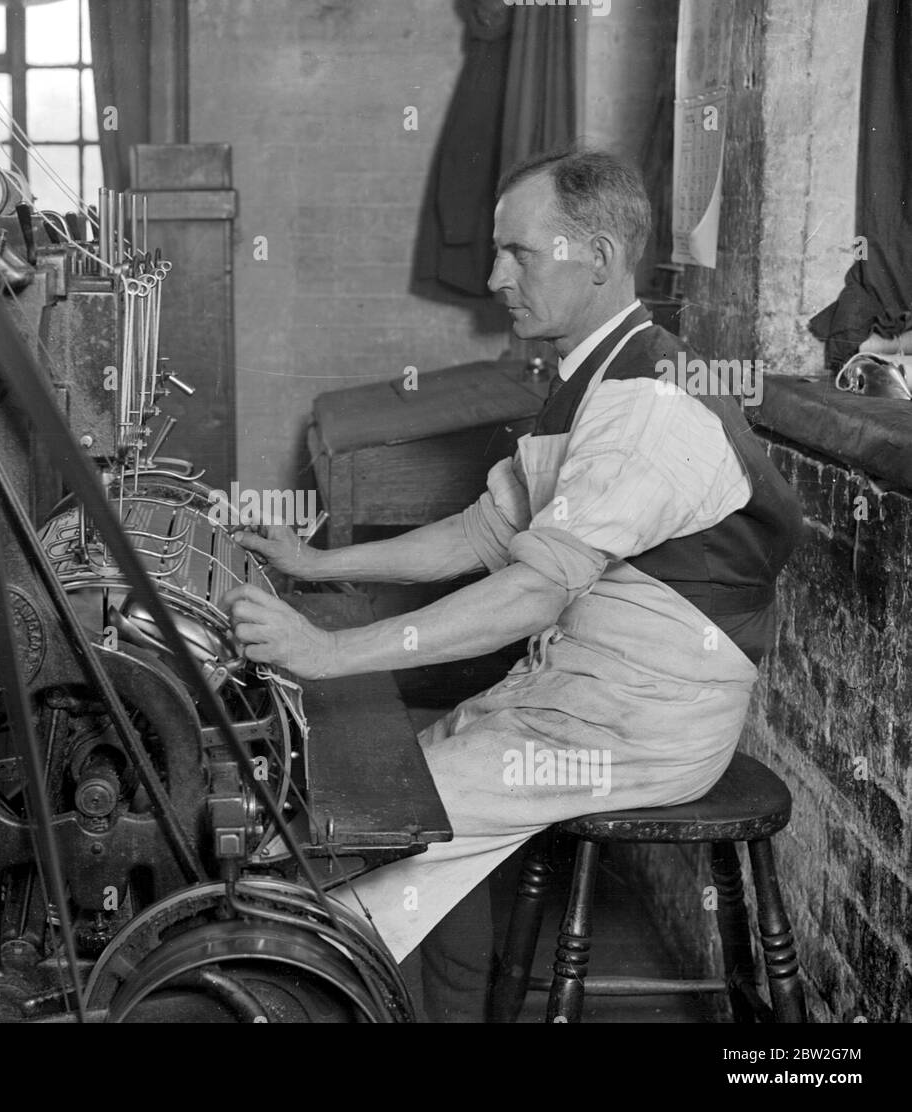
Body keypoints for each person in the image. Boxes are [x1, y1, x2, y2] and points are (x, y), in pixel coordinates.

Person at [221, 147, 803, 1021]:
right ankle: (432, 1002)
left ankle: (286, 988)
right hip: (579, 695)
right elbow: (481, 532)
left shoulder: (648, 405)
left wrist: (327, 651)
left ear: (598, 259)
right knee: (379, 796)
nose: (495, 276)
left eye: (519, 254)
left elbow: (532, 591)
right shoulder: (590, 380)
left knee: (357, 845)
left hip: (643, 721)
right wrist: (315, 565)